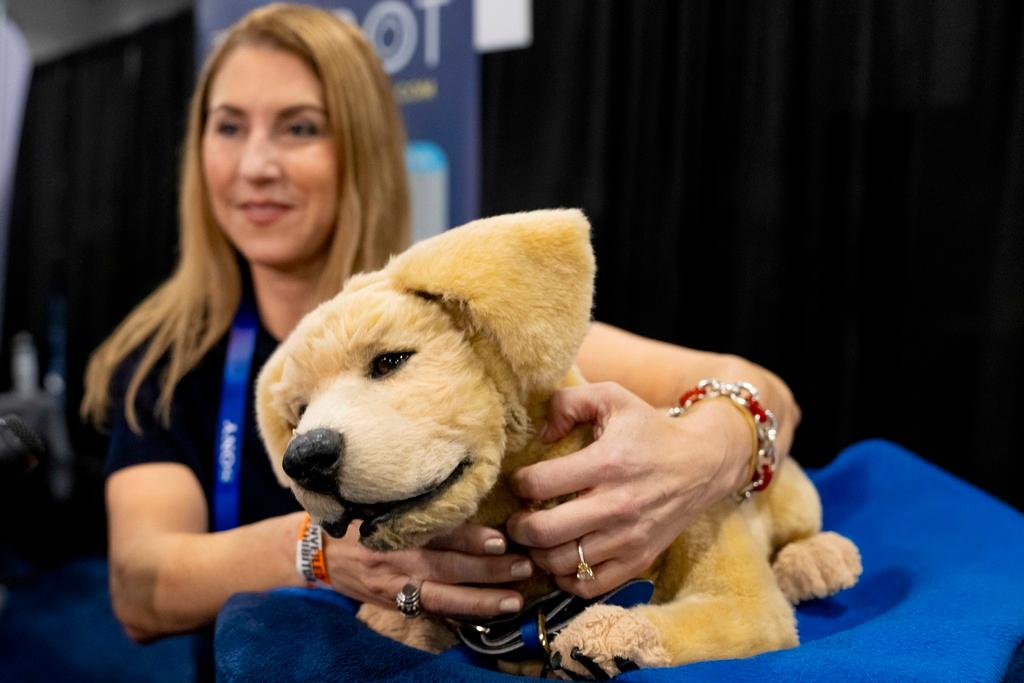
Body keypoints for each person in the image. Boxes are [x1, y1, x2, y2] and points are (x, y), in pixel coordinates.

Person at [80, 3, 800, 678]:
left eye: (299, 127)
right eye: (228, 126)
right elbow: (139, 587)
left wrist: (698, 459)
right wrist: (323, 554)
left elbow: (759, 389)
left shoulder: (453, 318)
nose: (254, 164)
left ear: (359, 148)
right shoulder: (163, 361)